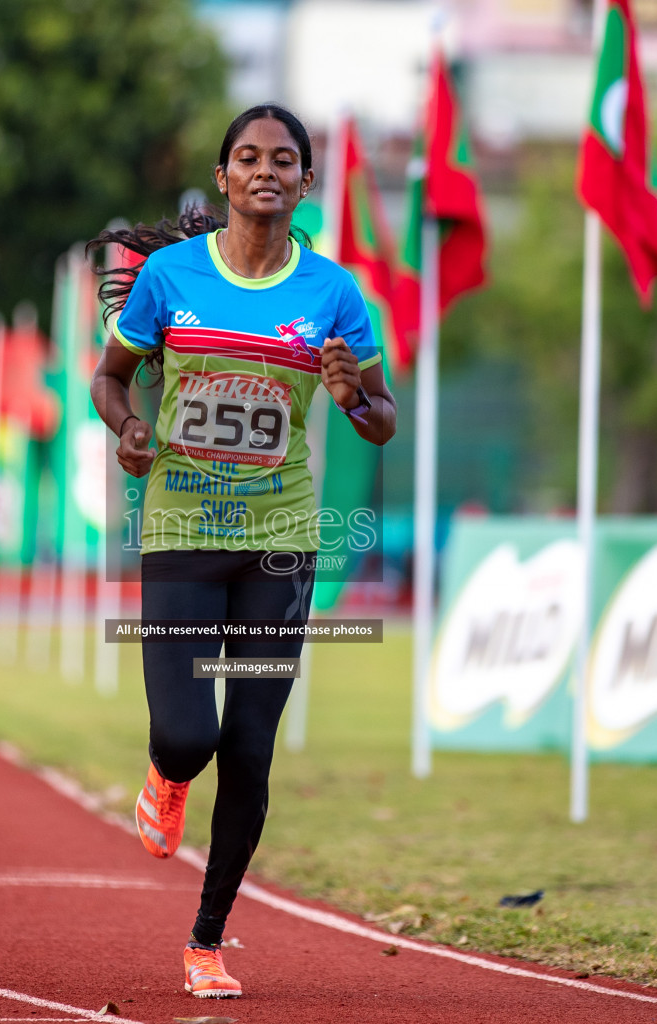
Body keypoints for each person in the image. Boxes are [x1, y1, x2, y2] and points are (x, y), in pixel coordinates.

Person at [88, 104, 397, 999]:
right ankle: (167, 773)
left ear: (305, 183)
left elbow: (382, 422)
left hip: (281, 539)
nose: (268, 170)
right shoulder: (171, 277)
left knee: (252, 749)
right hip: (184, 527)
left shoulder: (333, 292)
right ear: (224, 178)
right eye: (249, 157)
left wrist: (351, 397)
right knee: (189, 736)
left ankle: (206, 940)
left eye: (286, 160)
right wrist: (130, 429)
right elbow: (109, 378)